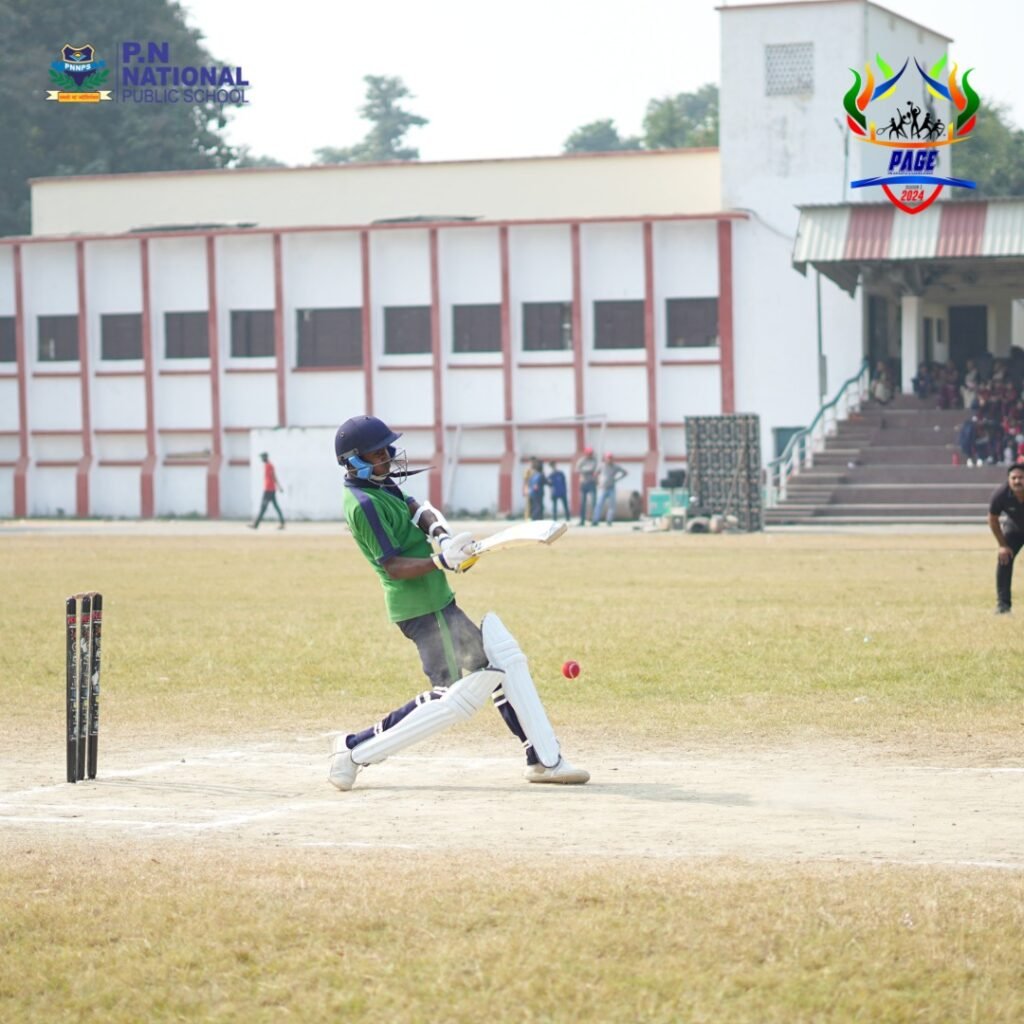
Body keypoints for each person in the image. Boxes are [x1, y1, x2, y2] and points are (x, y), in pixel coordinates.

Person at [327, 413, 589, 791]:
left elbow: (418, 509)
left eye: (386, 450)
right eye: (376, 454)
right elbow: (394, 566)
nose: (386, 458)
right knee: (450, 699)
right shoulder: (364, 504)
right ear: (353, 461)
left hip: (437, 600)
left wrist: (442, 535)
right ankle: (352, 750)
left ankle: (542, 759)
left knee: (495, 667)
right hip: (420, 609)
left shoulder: (383, 486)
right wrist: (440, 561)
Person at [988, 463, 1024, 614]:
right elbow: (993, 519)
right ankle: (1003, 605)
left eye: (1021, 478)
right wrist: (1002, 545)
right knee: (1004, 559)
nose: (1017, 481)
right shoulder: (1000, 494)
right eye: (1013, 478)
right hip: (1015, 528)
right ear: (1008, 480)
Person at [249, 451, 285, 529]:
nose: (261, 459)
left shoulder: (269, 466)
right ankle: (282, 523)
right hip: (270, 489)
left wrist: (279, 487)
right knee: (275, 507)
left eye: (262, 457)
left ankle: (256, 524)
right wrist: (278, 487)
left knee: (263, 507)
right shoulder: (267, 465)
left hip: (269, 490)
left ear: (265, 457)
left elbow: (274, 476)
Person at [593, 453, 628, 526]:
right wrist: (597, 482)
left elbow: (625, 472)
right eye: (608, 458)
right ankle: (595, 520)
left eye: (610, 458)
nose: (609, 459)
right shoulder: (602, 466)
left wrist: (617, 479)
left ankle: (609, 520)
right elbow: (595, 474)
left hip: (611, 488)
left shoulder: (615, 466)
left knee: (612, 505)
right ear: (605, 459)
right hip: (603, 488)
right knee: (599, 504)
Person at [575, 446, 598, 526]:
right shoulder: (582, 460)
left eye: (591, 453)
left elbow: (594, 468)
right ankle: (582, 521)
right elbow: (577, 469)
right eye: (589, 453)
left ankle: (594, 520)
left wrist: (585, 470)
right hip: (583, 483)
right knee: (582, 503)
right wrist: (586, 470)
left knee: (593, 503)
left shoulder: (594, 460)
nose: (590, 455)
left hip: (592, 483)